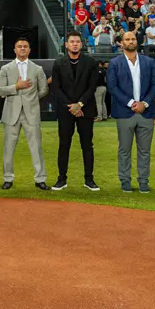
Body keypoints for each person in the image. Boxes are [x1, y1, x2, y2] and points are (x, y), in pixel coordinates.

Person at [107, 31, 155, 193]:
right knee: (124, 150)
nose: (130, 41)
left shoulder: (148, 61)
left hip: (146, 112)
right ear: (121, 43)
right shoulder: (115, 63)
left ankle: (144, 181)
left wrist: (144, 103)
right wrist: (131, 103)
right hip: (125, 112)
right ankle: (125, 181)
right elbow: (112, 87)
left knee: (145, 151)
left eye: (133, 39)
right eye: (127, 39)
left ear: (138, 41)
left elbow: (154, 85)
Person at [0, 37, 50, 190]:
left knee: (36, 147)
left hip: (31, 113)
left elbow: (44, 89)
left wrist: (31, 99)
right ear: (14, 49)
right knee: (8, 147)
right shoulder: (5, 68)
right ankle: (8, 178)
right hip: (11, 113)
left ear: (29, 50)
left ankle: (40, 179)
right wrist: (16, 87)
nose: (22, 49)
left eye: (25, 46)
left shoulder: (37, 69)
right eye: (19, 46)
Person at [50, 31, 100, 191]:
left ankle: (89, 179)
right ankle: (61, 179)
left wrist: (80, 104)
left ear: (82, 44)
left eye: (77, 41)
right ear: (66, 45)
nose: (75, 44)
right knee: (64, 144)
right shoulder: (58, 63)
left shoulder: (91, 62)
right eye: (72, 41)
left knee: (87, 145)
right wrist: (71, 106)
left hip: (86, 109)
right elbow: (56, 87)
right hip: (66, 111)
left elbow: (92, 86)